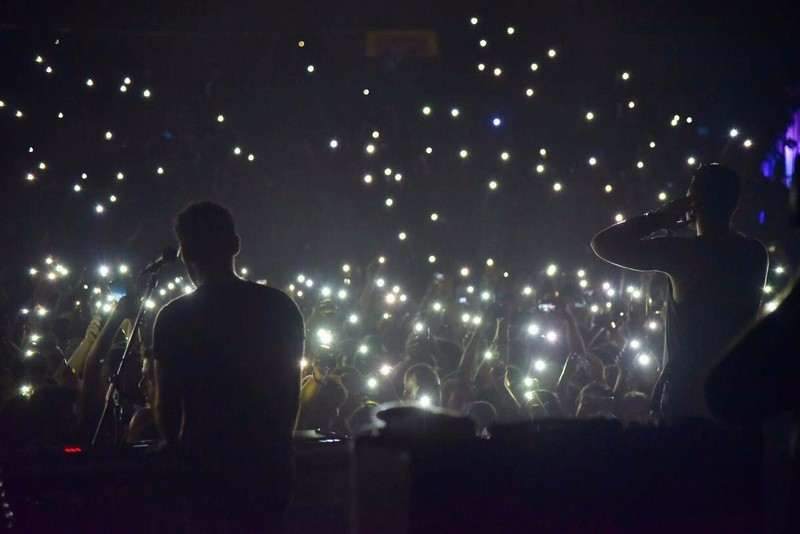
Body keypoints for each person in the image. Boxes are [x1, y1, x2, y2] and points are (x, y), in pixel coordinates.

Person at [152, 201, 305, 532]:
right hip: (266, 468)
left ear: (184, 253)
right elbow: (289, 395)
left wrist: (174, 452)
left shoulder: (174, 318)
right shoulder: (280, 308)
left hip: (204, 470)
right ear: (235, 245)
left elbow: (167, 407)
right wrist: (280, 452)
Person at [591, 164, 768, 418]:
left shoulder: (685, 254)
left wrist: (659, 218)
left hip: (687, 404)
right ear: (735, 205)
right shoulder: (755, 253)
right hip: (736, 396)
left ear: (692, 201)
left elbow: (604, 244)